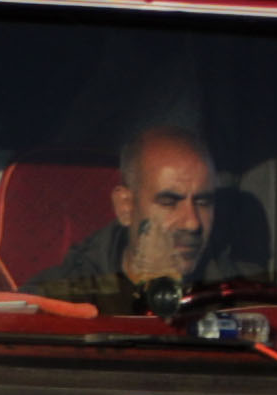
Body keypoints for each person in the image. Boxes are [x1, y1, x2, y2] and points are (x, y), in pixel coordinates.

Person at [24, 123, 221, 312]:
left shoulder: (240, 292)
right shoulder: (59, 300)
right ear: (125, 207)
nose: (192, 223)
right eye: (168, 202)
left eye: (203, 203)